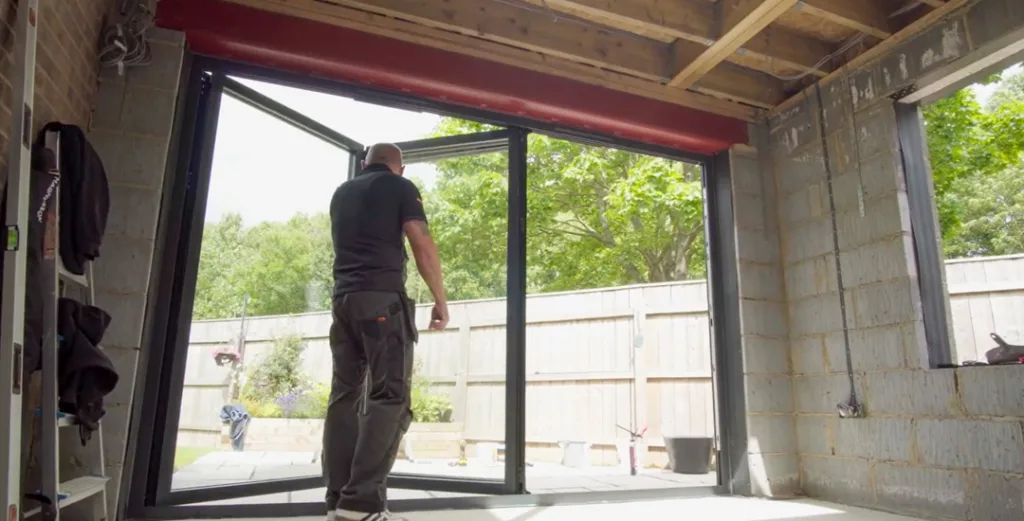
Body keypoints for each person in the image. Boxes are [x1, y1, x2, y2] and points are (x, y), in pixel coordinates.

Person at [323, 143, 449, 521]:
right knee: (390, 396)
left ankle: (337, 500)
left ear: (364, 163)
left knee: (344, 396)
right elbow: (421, 241)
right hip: (381, 302)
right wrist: (440, 300)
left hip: (343, 302)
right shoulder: (400, 187)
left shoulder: (342, 192)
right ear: (401, 167)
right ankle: (361, 503)